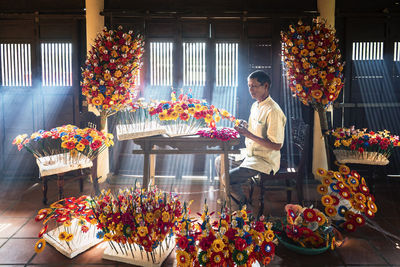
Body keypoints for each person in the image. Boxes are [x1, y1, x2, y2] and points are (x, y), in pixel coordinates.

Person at [215, 70, 286, 212]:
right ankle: (236, 198)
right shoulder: (256, 105)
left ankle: (243, 207)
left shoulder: (273, 111)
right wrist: (245, 126)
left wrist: (247, 134)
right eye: (249, 86)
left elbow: (277, 145)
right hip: (251, 153)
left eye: (254, 86)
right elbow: (256, 129)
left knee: (227, 177)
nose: (251, 90)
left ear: (265, 86)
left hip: (264, 159)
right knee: (219, 161)